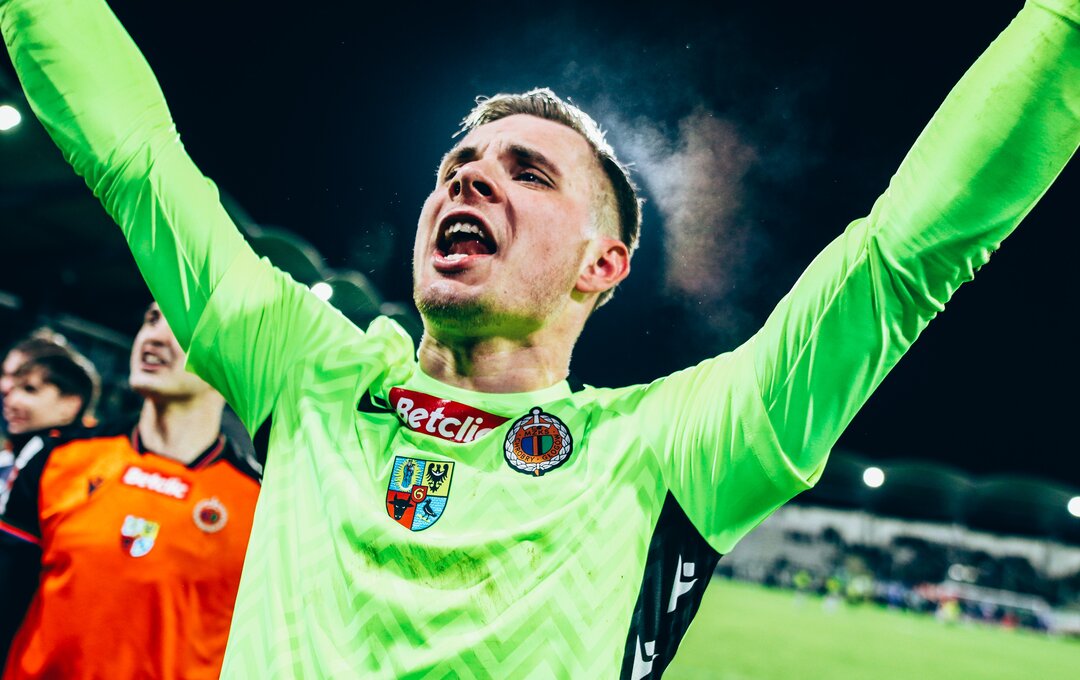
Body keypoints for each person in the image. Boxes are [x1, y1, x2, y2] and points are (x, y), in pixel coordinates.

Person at [1, 0, 1075, 677]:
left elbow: (901, 258)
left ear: (603, 264)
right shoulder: (314, 368)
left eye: (528, 172)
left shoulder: (667, 446)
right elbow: (138, 162)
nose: (468, 179)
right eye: (458, 166)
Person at [0, 303, 262, 679]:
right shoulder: (57, 458)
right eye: (152, 319)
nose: (155, 337)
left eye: (184, 324)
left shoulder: (262, 506)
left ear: (235, 360)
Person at [0, 333, 98, 486]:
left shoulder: (77, 472)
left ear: (70, 404)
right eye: (13, 389)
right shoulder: (11, 458)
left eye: (30, 389)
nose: (10, 400)